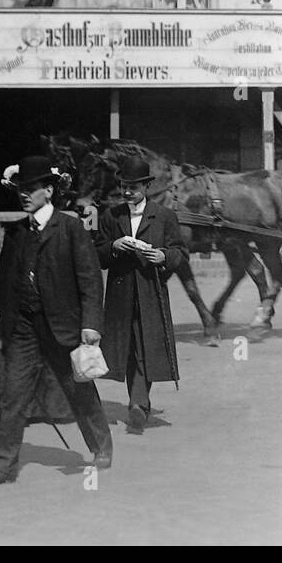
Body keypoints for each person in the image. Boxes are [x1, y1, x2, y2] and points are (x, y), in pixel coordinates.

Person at [0, 155, 113, 487]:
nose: (24, 194)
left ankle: (101, 447)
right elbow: (6, 275)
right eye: (21, 189)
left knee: (78, 390)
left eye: (32, 188)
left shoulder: (71, 228)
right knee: (13, 395)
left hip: (63, 328)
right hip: (22, 328)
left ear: (49, 191)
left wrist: (91, 323)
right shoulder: (17, 231)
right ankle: (3, 465)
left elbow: (91, 280)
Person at [94, 154, 186, 434]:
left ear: (146, 187)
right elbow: (97, 255)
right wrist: (114, 245)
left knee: (147, 346)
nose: (127, 191)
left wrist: (162, 255)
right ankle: (138, 402)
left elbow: (180, 253)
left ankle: (138, 404)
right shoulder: (111, 216)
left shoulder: (165, 216)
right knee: (127, 348)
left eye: (133, 186)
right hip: (121, 294)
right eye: (124, 185)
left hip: (151, 291)